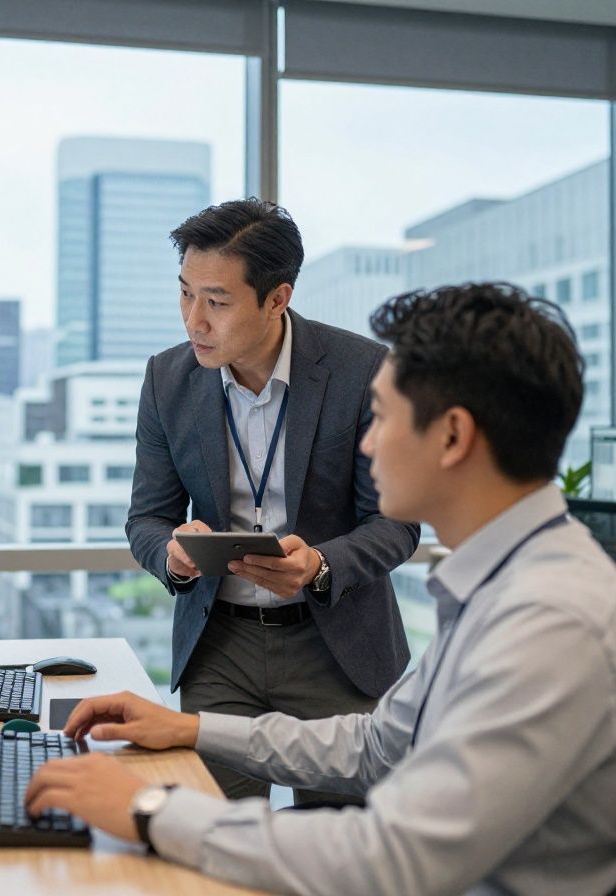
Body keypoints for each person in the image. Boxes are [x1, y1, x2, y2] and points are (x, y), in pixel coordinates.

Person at [26, 282, 616, 895]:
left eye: (382, 417)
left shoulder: (551, 623)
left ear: (453, 436)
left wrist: (150, 807)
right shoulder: (511, 583)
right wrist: (191, 730)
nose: (365, 444)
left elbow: (394, 857)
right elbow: (375, 745)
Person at [126, 197, 419, 801]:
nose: (194, 321)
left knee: (344, 840)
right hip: (220, 646)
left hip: (335, 643)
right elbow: (147, 518)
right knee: (213, 834)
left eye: (217, 302)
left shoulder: (362, 370)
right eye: (185, 294)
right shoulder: (167, 379)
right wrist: (172, 555)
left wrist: (320, 564)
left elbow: (396, 524)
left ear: (277, 298)